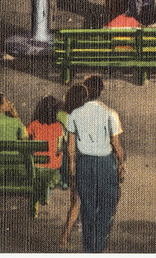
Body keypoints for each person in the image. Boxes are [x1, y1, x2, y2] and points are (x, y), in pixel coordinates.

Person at [65, 74, 125, 253]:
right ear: (100, 91)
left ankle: (88, 248)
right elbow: (116, 144)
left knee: (87, 208)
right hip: (105, 163)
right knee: (106, 206)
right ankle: (98, 247)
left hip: (84, 162)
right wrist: (121, 163)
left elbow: (71, 146)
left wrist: (72, 166)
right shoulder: (110, 113)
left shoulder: (74, 114)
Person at [59, 84, 89, 247]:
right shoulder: (82, 117)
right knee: (79, 201)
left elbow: (69, 147)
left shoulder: (63, 115)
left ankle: (66, 233)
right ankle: (66, 233)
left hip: (70, 162)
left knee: (75, 201)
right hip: (85, 161)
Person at [27, 95, 65, 175]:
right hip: (54, 166)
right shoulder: (59, 126)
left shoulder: (33, 125)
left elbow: (27, 145)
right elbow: (59, 149)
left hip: (38, 164)